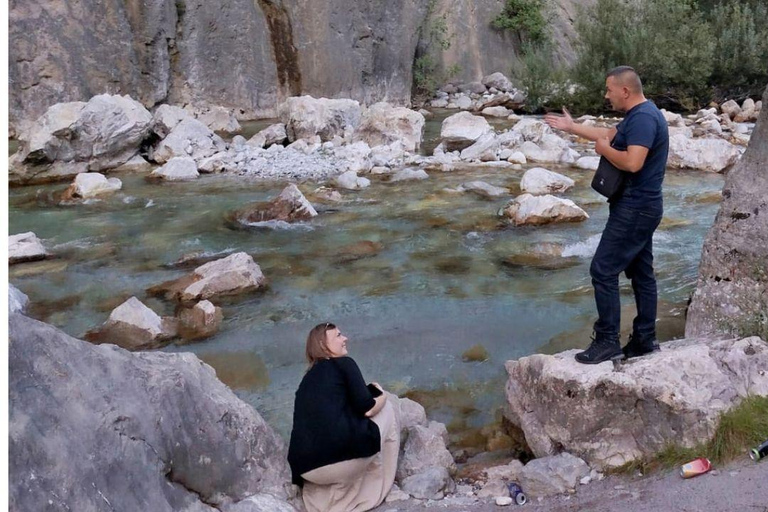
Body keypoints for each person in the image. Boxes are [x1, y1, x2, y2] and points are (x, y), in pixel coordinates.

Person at [544, 66, 669, 364]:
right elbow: (607, 133)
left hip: (635, 207)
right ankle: (644, 339)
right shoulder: (640, 115)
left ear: (624, 91)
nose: (606, 94)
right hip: (642, 206)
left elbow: (633, 162)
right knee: (641, 274)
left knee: (603, 270)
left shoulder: (643, 119)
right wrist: (572, 127)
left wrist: (603, 149)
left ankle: (608, 341)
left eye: (609, 89)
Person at [288, 322, 400, 512]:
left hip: (306, 471)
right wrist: (382, 395)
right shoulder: (343, 364)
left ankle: (331, 497)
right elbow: (368, 408)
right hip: (340, 465)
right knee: (388, 409)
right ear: (324, 345)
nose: (345, 338)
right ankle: (379, 488)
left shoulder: (305, 381)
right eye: (339, 336)